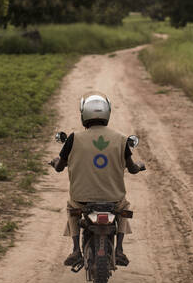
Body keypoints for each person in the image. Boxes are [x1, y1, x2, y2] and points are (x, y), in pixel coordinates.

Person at [50, 91, 145, 267]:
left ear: (83, 114)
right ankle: (120, 250)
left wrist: (55, 162)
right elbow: (132, 168)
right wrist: (139, 166)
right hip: (113, 200)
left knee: (72, 209)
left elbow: (59, 166)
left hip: (82, 200)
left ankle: (76, 250)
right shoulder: (121, 139)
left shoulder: (73, 138)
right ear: (107, 113)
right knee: (124, 208)